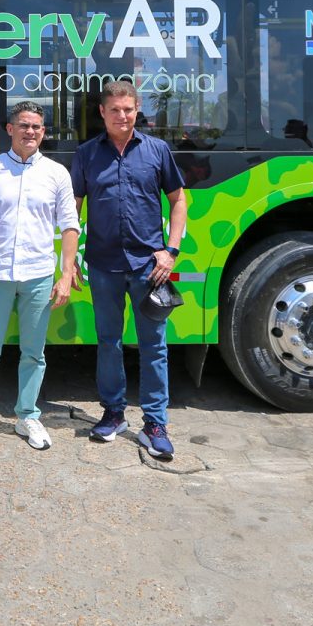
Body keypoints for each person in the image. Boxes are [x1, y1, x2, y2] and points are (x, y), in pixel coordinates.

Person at [70, 80, 187, 460]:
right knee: (109, 342)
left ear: (138, 110)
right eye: (115, 110)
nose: (123, 116)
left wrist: (171, 250)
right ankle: (114, 413)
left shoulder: (157, 151)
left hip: (148, 268)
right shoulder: (87, 154)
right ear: (102, 113)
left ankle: (155, 423)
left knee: (154, 346)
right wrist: (69, 257)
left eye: (129, 109)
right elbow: (74, 207)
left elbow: (178, 201)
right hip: (103, 265)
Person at [0, 101, 79, 451]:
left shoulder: (57, 173)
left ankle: (28, 415)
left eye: (37, 127)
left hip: (39, 274)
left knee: (34, 352)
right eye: (24, 125)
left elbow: (70, 225)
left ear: (44, 132)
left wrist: (65, 272)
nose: (31, 132)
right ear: (10, 129)